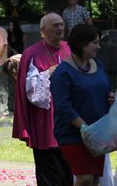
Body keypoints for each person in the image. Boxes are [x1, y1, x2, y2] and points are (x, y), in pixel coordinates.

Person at [12, 13, 72, 185]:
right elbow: (31, 92)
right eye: (55, 26)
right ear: (43, 31)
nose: (60, 28)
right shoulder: (32, 53)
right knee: (50, 175)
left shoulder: (71, 48)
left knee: (70, 174)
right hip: (45, 121)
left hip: (70, 120)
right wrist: (48, 74)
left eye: (61, 24)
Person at [50, 24, 113, 186]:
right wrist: (85, 128)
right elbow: (63, 105)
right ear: (81, 43)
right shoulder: (62, 72)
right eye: (95, 42)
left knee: (96, 179)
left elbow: (105, 90)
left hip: (98, 134)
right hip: (73, 134)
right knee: (85, 178)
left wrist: (111, 98)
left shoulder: (99, 65)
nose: (98, 47)